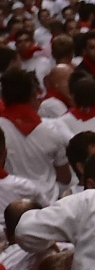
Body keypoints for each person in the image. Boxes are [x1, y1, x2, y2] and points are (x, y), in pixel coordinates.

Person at [0, 68, 72, 202]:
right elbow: (65, 177)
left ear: (3, 97)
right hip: (48, 206)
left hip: (8, 205)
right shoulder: (52, 129)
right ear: (32, 96)